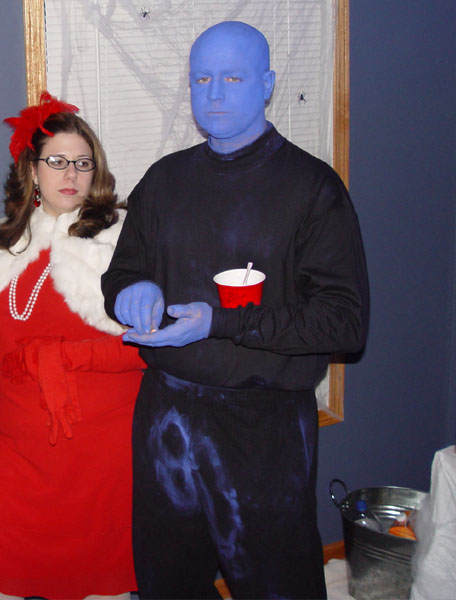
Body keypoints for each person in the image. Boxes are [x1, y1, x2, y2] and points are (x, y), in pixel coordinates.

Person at [101, 21, 369, 599]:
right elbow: (121, 273)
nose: (215, 93)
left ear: (267, 84)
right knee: (167, 582)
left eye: (233, 78)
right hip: (166, 416)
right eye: (202, 79)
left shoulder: (312, 188)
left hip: (264, 425)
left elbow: (345, 323)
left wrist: (221, 321)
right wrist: (132, 290)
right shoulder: (164, 179)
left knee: (278, 583)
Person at [0, 92, 144, 599]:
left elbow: (151, 346)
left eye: (82, 162)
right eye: (57, 161)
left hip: (100, 457)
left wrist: (62, 355)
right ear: (32, 170)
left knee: (101, 587)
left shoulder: (124, 239)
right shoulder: (1, 242)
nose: (70, 173)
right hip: (14, 453)